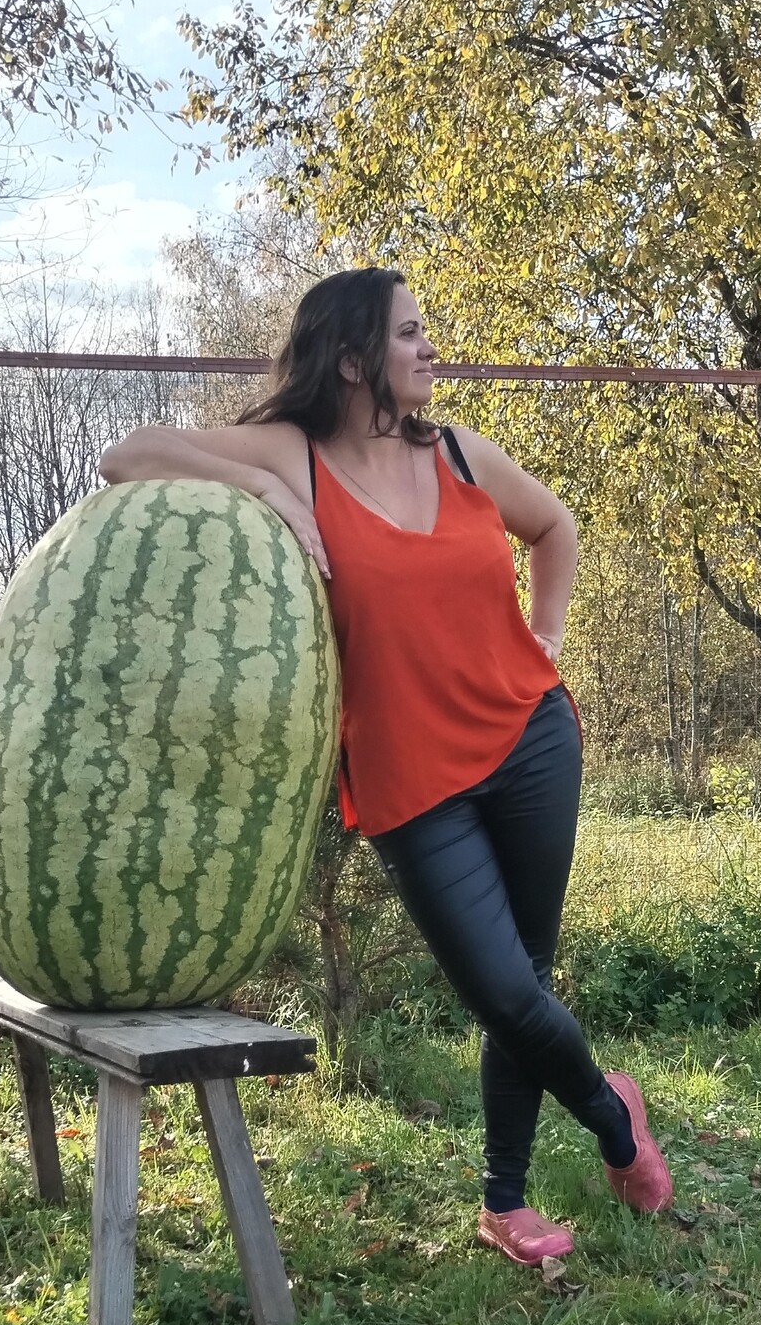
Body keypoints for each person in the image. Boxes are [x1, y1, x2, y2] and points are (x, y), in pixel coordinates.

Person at [99, 266, 673, 1263]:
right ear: (357, 357)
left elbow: (554, 526)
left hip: (528, 737)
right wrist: (263, 483)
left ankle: (503, 1201)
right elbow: (127, 454)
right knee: (500, 992)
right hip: (413, 779)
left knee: (523, 982)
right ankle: (613, 1117)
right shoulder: (299, 451)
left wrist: (543, 635)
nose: (429, 348)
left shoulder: (457, 452)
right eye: (410, 333)